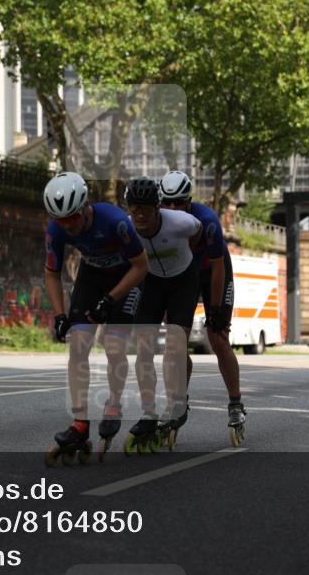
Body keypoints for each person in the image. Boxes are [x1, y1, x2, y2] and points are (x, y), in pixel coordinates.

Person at [42, 172, 149, 465]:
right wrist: (60, 314)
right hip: (92, 277)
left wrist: (111, 299)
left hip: (127, 278)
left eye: (72, 219)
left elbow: (141, 266)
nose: (68, 227)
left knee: (114, 346)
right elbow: (52, 273)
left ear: (85, 207)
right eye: (61, 221)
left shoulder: (116, 221)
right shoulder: (57, 229)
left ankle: (113, 405)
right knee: (77, 345)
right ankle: (79, 423)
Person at [159, 170, 245, 445]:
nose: (173, 209)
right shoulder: (156, 222)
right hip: (183, 274)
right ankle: (177, 401)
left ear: (189, 201)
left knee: (218, 338)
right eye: (167, 203)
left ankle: (235, 403)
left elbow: (219, 267)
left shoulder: (206, 220)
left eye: (179, 203)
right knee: (175, 342)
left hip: (213, 272)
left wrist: (217, 311)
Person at [124, 177, 202, 452]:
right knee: (143, 348)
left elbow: (198, 231)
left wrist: (186, 257)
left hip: (184, 281)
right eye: (134, 209)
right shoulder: (127, 229)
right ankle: (148, 413)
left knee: (175, 344)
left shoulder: (180, 222)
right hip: (153, 282)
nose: (140, 215)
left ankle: (177, 401)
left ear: (158, 208)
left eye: (146, 208)